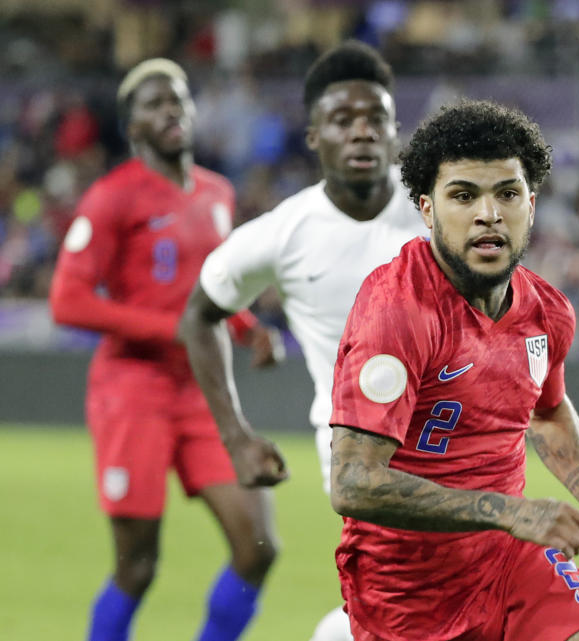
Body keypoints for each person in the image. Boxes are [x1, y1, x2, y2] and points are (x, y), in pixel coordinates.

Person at [328, 100, 579, 641]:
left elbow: (550, 412)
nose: (489, 213)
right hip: (405, 589)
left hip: (514, 558)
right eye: (463, 195)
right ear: (427, 209)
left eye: (507, 194)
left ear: (530, 206)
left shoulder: (546, 313)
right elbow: (351, 483)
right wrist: (506, 511)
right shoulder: (396, 311)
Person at [178, 41, 424, 640]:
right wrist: (234, 436)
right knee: (414, 604)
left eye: (376, 120)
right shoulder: (285, 232)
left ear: (396, 133)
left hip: (464, 438)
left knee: (416, 610)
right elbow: (199, 315)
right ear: (314, 137)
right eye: (343, 121)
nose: (362, 133)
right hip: (359, 452)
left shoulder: (439, 212)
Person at [49, 59, 283, 641]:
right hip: (133, 390)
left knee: (259, 547)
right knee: (137, 566)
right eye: (154, 104)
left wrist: (246, 326)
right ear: (132, 125)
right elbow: (68, 302)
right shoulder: (111, 198)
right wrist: (168, 328)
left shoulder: (217, 192)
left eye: (177, 99)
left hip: (203, 392)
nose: (170, 110)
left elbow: (211, 289)